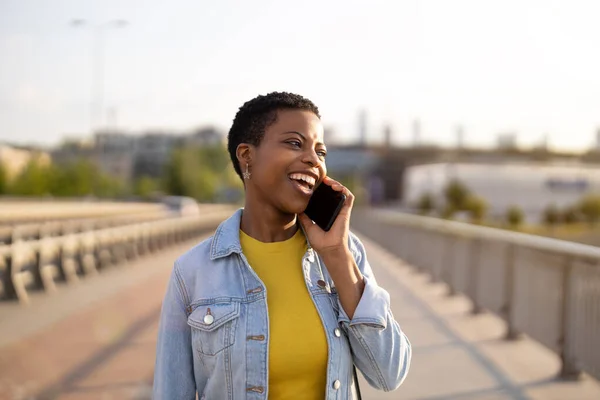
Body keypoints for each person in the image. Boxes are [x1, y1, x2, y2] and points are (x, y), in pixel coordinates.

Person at [153, 92, 411, 399]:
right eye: (294, 143)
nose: (314, 160)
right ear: (246, 155)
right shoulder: (192, 272)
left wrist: (337, 256)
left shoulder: (345, 253)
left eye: (321, 151)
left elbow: (389, 374)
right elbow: (171, 392)